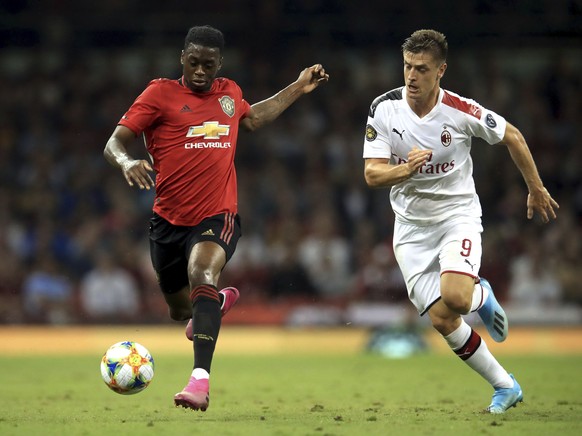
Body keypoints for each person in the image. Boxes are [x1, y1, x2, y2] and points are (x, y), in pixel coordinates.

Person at [104, 25, 328, 412]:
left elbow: (254, 118)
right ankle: (215, 304)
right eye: (194, 63)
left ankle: (199, 382)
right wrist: (127, 161)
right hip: (167, 222)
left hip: (217, 215)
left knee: (202, 273)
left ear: (220, 63)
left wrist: (297, 86)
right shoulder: (159, 94)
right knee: (180, 309)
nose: (201, 72)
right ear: (182, 59)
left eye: (209, 64)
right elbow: (114, 141)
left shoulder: (230, 93)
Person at [362, 29, 559, 414]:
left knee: (456, 298)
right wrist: (404, 171)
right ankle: (506, 385)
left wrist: (535, 188)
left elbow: (513, 136)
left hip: (457, 216)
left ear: (441, 71)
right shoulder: (383, 108)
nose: (411, 76)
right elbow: (372, 174)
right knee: (442, 319)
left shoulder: (461, 110)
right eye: (407, 67)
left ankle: (478, 294)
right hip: (411, 229)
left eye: (422, 69)